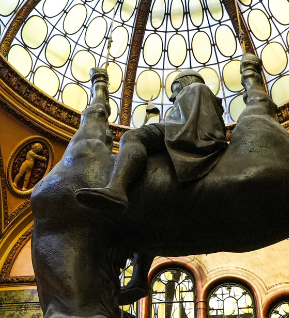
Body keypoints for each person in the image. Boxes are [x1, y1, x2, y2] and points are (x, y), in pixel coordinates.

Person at [75, 70, 227, 212]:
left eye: (174, 89)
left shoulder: (194, 89)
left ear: (183, 84)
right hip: (202, 135)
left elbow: (184, 123)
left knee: (132, 136)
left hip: (187, 133)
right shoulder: (209, 98)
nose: (172, 97)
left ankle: (117, 189)